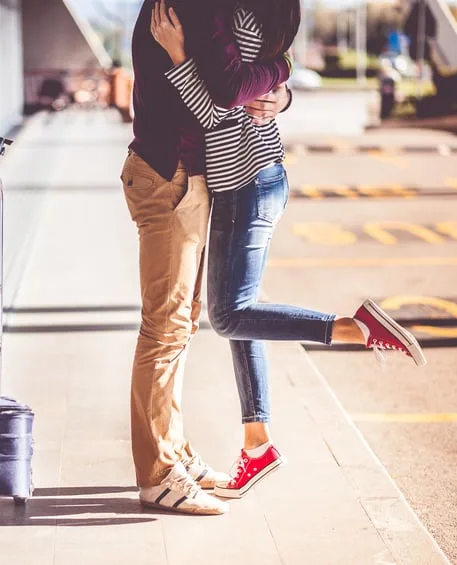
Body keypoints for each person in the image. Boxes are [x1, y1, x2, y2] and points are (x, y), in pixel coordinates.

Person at [150, 0, 426, 503]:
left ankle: (354, 328)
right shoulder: (269, 16)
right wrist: (283, 86)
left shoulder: (236, 20)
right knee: (244, 310)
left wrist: (176, 58)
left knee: (231, 316)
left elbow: (218, 108)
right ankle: (258, 443)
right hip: (255, 177)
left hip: (246, 183)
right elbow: (260, 90)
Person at [122, 0, 296, 515]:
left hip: (184, 174)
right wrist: (283, 70)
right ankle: (156, 476)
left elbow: (239, 84)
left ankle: (175, 453)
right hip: (167, 172)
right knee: (164, 328)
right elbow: (223, 97)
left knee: (181, 326)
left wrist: (279, 92)